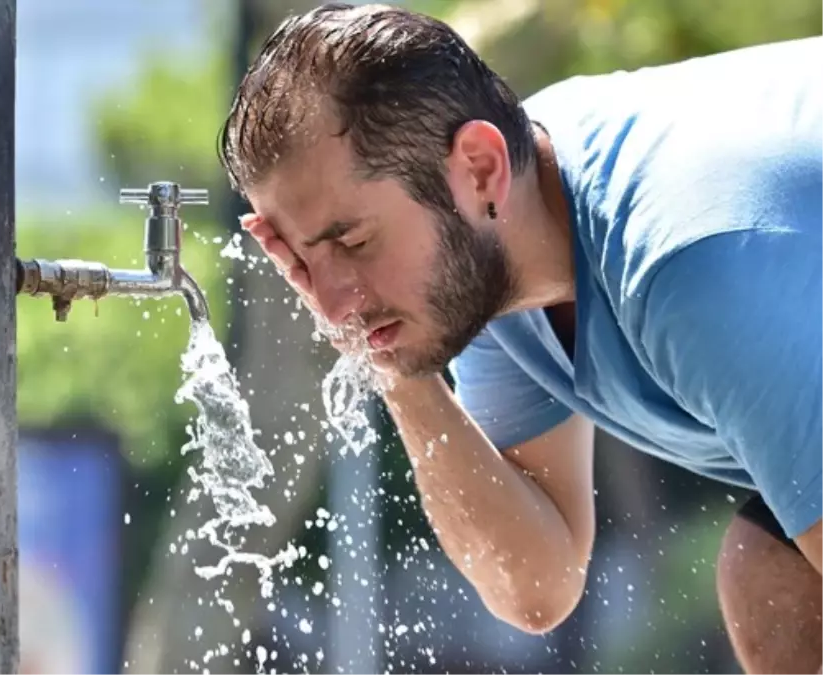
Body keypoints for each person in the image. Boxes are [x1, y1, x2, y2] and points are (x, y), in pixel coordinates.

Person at [218, 3, 823, 673]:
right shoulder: (491, 253)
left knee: (770, 573)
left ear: (480, 169)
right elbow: (536, 584)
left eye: (354, 241)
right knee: (775, 578)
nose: (332, 304)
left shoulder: (690, 265)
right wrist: (390, 362)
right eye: (304, 262)